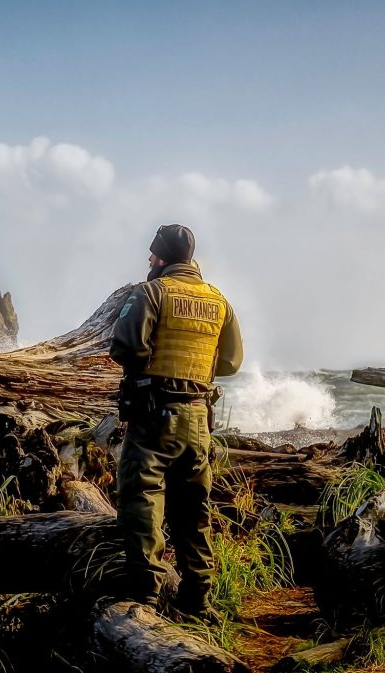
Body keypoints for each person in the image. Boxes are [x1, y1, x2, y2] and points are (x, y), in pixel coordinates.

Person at [109, 223, 243, 618]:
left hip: (153, 416)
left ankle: (145, 596)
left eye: (152, 254)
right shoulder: (219, 301)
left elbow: (126, 346)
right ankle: (198, 599)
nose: (149, 260)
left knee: (142, 499)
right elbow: (232, 362)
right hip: (198, 419)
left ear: (163, 257)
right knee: (194, 509)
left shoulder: (151, 292)